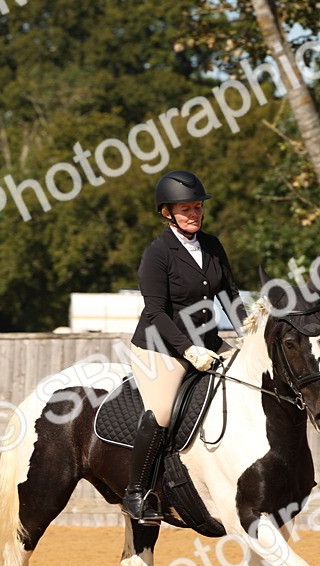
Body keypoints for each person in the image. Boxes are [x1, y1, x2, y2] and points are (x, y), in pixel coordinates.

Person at [123, 169, 248, 521]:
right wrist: (187, 350)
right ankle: (135, 494)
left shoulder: (212, 245)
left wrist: (248, 336)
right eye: (185, 209)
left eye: (197, 207)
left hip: (208, 341)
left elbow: (229, 295)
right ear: (167, 213)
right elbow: (156, 311)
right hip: (161, 346)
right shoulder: (157, 253)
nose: (194, 214)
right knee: (161, 414)